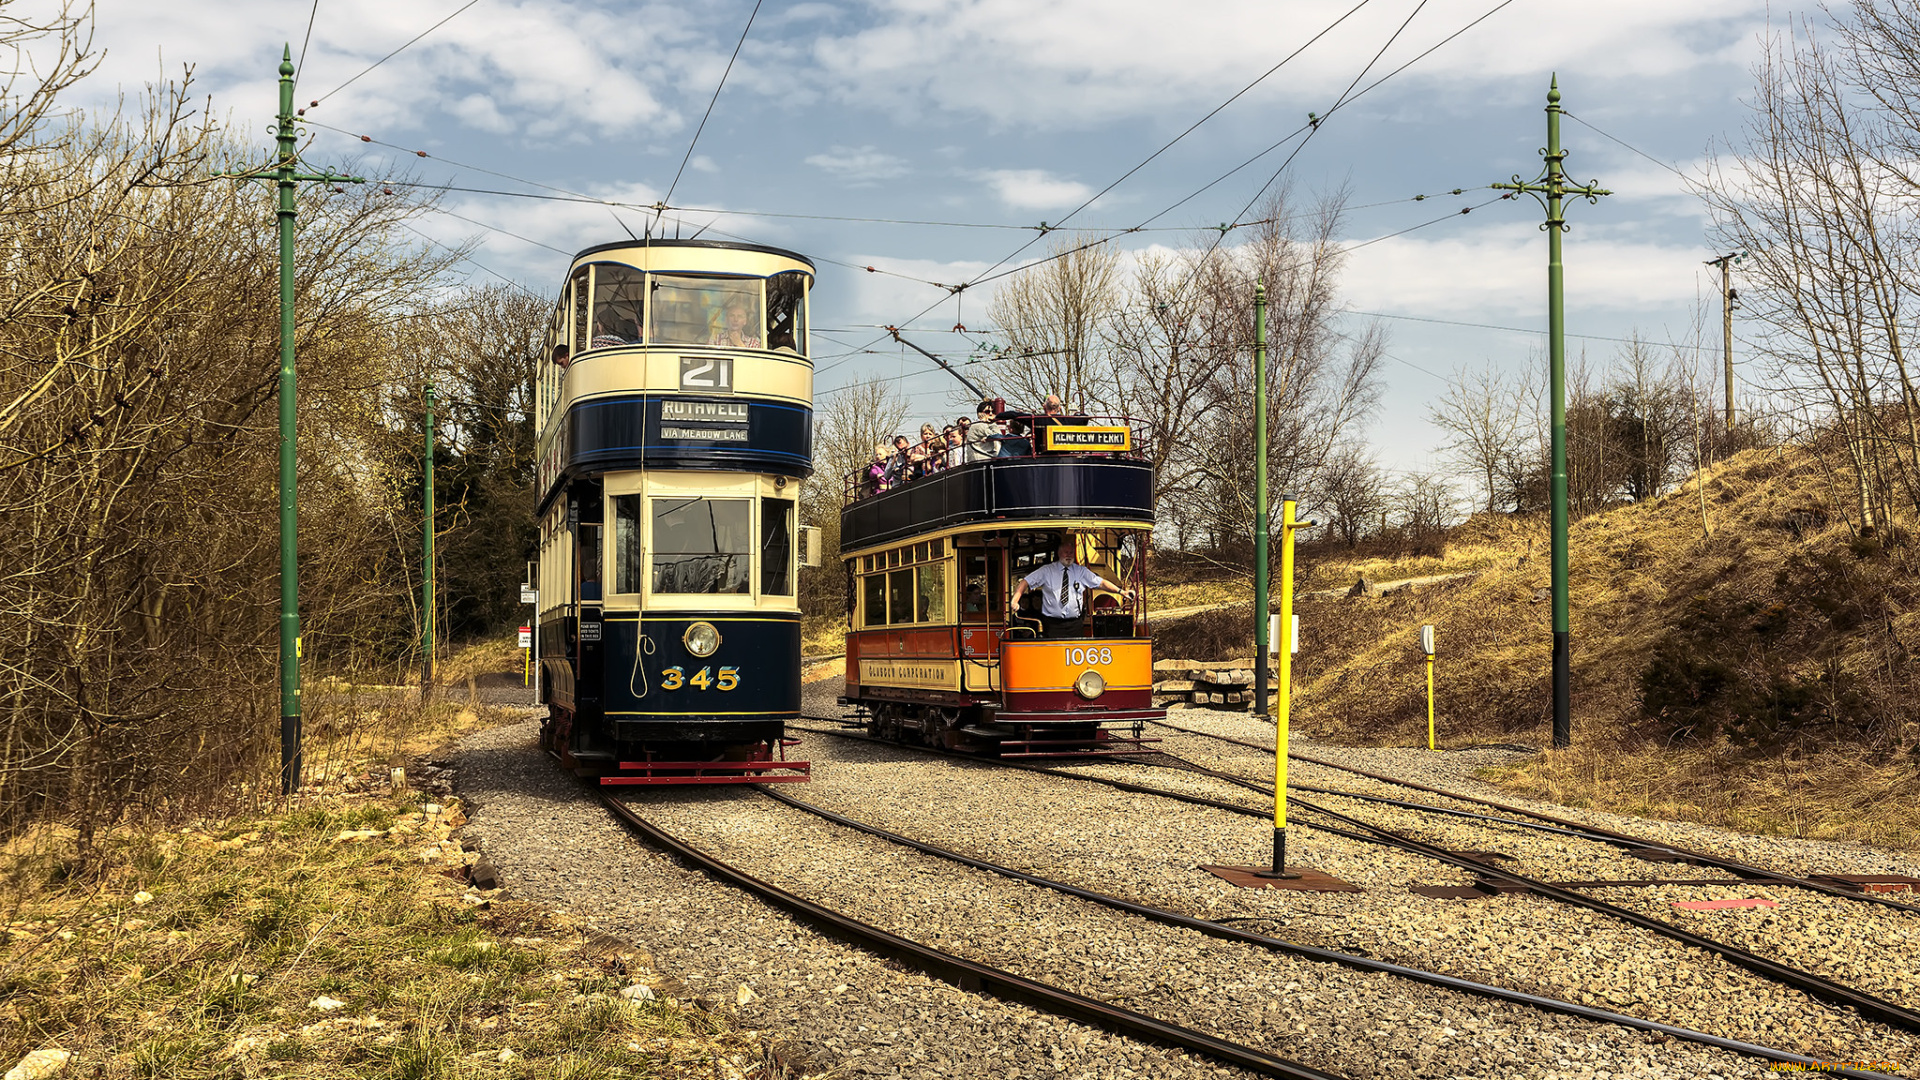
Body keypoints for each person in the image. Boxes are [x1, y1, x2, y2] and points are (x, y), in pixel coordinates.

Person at [1009, 534, 1133, 639]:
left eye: (1071, 553)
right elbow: (1025, 582)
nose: (1068, 555)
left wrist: (1121, 592)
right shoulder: (1047, 571)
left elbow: (1101, 583)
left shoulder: (1081, 571)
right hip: (1052, 625)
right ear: (1059, 553)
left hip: (1075, 625)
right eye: (1065, 552)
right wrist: (1015, 600)